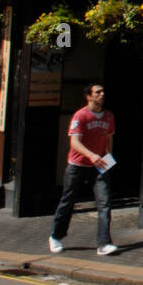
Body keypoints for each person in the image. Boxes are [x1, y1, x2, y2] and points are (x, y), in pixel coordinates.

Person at [48, 84, 117, 256]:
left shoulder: (109, 116)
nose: (102, 94)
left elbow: (108, 139)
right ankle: (56, 236)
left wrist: (108, 159)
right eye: (97, 92)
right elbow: (75, 143)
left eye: (103, 92)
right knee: (68, 201)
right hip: (77, 166)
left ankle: (104, 244)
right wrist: (91, 155)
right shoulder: (81, 116)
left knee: (104, 204)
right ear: (89, 96)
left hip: (99, 167)